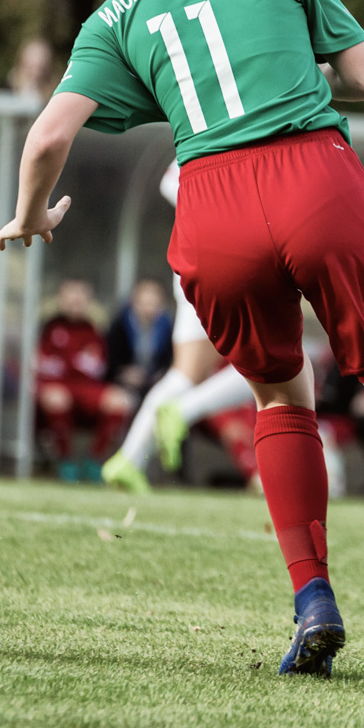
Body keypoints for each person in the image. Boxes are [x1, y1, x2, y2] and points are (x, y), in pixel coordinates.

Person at [0, 0, 364, 691]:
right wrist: (290, 76)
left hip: (210, 201)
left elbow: (46, 137)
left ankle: (313, 606)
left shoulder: (114, 16)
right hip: (314, 177)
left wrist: (32, 214)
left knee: (280, 401)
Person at [100, 160, 260, 494]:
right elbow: (172, 182)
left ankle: (128, 460)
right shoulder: (240, 138)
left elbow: (169, 181)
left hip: (193, 260)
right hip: (226, 259)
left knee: (187, 374)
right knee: (271, 363)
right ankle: (184, 411)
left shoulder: (200, 136)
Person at [34, 279, 134, 477]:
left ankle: (95, 461)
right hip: (56, 385)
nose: (76, 302)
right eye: (71, 297)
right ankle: (65, 461)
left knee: (120, 401)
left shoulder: (95, 329)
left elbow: (98, 366)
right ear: (61, 299)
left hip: (87, 387)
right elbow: (41, 364)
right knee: (56, 398)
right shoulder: (48, 327)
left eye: (80, 298)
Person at [106, 277, 173, 394]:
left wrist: (160, 374)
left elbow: (169, 360)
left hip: (155, 383)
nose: (149, 308)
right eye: (145, 303)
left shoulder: (168, 326)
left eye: (153, 303)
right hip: (123, 384)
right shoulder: (120, 324)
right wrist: (124, 372)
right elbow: (111, 359)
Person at [8, 37, 55, 107]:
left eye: (41, 57)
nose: (37, 62)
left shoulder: (53, 92)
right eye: (34, 55)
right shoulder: (9, 86)